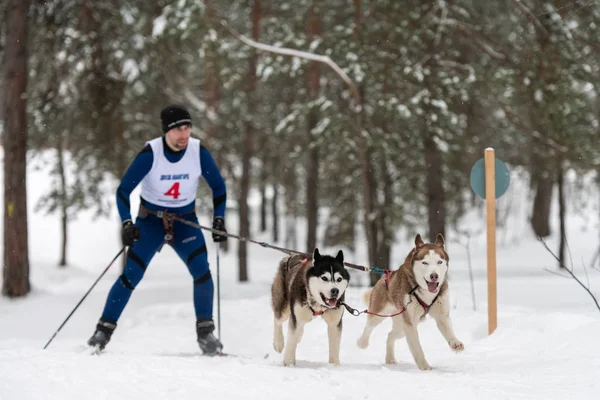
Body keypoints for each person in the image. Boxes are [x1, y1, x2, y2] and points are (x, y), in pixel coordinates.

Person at [87, 104, 228, 355]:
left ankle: (206, 334)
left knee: (202, 272)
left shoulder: (198, 152)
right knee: (131, 276)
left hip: (185, 221)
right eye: (178, 129)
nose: (184, 134)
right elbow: (123, 191)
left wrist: (218, 220)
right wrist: (127, 223)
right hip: (150, 220)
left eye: (187, 127)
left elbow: (218, 187)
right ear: (166, 131)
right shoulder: (151, 153)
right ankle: (102, 332)